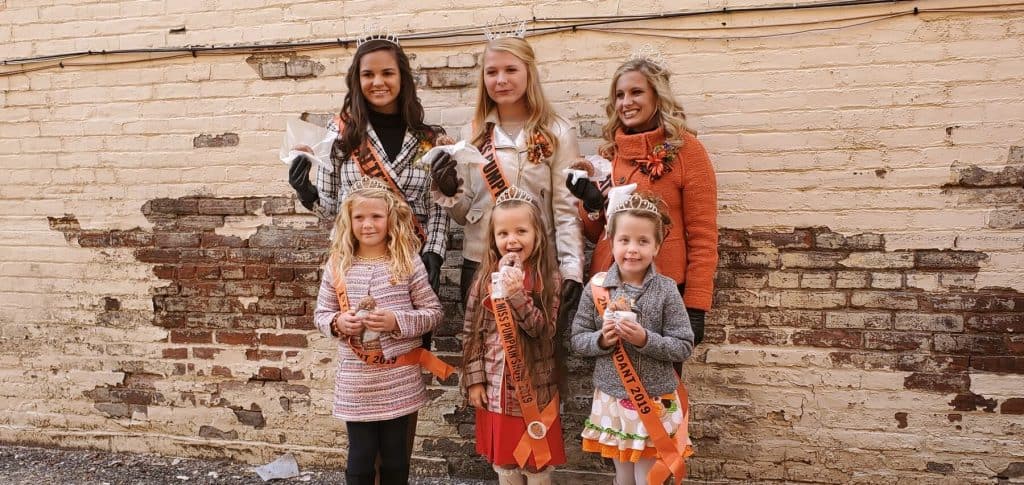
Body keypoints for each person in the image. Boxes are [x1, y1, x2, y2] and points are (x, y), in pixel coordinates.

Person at [430, 36, 584, 329]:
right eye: (492, 72)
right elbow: (463, 215)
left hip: (538, 264)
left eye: (511, 70)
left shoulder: (558, 132)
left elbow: (567, 211)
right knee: (482, 357)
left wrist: (573, 270)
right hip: (480, 262)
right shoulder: (473, 133)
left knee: (537, 362)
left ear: (529, 72)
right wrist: (448, 189)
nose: (500, 80)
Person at [566, 56, 718, 346]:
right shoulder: (609, 154)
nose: (626, 102)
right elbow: (597, 234)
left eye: (636, 92)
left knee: (658, 382)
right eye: (619, 95)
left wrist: (696, 305)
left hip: (662, 289)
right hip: (608, 286)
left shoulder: (688, 152)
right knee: (610, 381)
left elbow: (703, 237)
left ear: (657, 96)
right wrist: (591, 204)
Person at [288, 37, 450, 298]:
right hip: (356, 261)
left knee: (413, 337)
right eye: (368, 74)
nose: (377, 82)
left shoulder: (429, 138)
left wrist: (434, 252)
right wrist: (305, 190)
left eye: (387, 73)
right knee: (359, 335)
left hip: (412, 262)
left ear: (402, 78)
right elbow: (331, 209)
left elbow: (438, 207)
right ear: (357, 80)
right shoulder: (340, 133)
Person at [313, 178, 447, 485]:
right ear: (348, 221)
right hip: (357, 383)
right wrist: (337, 324)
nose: (368, 224)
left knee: (396, 461)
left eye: (376, 216)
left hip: (398, 380)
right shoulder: (338, 265)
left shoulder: (407, 262)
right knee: (359, 462)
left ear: (391, 220)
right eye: (359, 217)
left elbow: (433, 314)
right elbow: (321, 314)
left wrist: (396, 322)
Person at [570, 192, 694, 485]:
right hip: (612, 397)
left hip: (653, 399)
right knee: (623, 474)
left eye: (643, 241)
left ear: (657, 246)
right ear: (610, 241)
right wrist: (602, 340)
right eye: (624, 240)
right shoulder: (597, 288)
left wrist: (645, 339)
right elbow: (577, 339)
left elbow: (684, 345)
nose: (632, 250)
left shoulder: (666, 289)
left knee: (647, 476)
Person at [460, 186, 564, 485]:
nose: (512, 240)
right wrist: (474, 379)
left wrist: (517, 294)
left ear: (538, 234)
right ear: (492, 239)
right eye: (503, 233)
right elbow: (471, 332)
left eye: (521, 231)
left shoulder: (549, 277)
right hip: (494, 388)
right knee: (505, 461)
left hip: (534, 388)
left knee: (536, 459)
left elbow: (543, 332)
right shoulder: (484, 278)